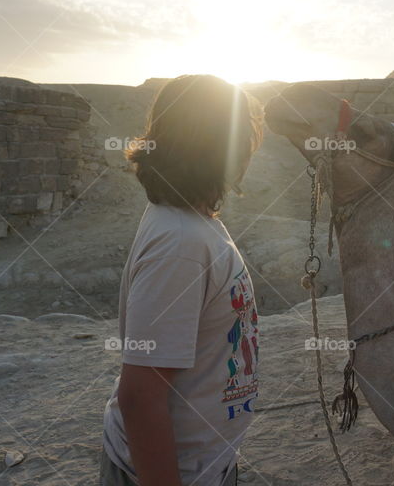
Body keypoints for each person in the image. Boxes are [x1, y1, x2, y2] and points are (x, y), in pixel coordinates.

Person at [101, 75, 264, 486]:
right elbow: (140, 398)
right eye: (243, 132)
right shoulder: (181, 244)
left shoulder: (195, 221)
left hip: (205, 463)